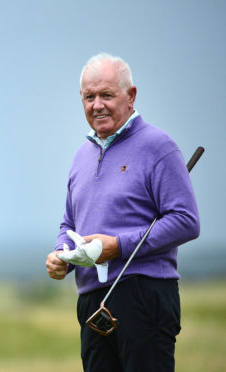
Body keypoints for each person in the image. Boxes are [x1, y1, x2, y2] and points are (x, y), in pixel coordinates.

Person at [45, 53, 200, 372]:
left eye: (106, 95)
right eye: (89, 97)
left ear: (130, 96)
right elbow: (69, 222)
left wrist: (117, 245)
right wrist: (62, 253)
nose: (97, 104)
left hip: (143, 293)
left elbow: (186, 221)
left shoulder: (158, 146)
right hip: (91, 300)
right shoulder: (81, 156)